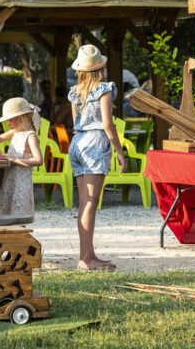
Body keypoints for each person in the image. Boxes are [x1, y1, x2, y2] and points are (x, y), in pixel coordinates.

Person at [68, 45, 126, 271]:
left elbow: (76, 123)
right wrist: (119, 151)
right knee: (90, 203)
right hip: (94, 143)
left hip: (78, 142)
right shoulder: (104, 89)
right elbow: (108, 124)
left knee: (84, 203)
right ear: (100, 67)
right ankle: (86, 259)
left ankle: (88, 254)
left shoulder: (75, 91)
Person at [0, 98, 43, 220]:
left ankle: (20, 231)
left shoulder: (30, 136)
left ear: (21, 118)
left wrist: (13, 159)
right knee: (8, 205)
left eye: (10, 120)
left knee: (19, 207)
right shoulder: (16, 132)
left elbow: (38, 160)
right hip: (11, 176)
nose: (8, 123)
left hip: (22, 179)